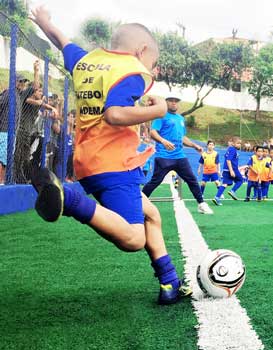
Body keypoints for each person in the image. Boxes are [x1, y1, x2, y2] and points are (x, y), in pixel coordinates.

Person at [29, 7, 193, 305]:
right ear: (141, 50)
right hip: (115, 163)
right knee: (133, 239)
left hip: (89, 161)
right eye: (152, 63)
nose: (151, 71)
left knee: (151, 215)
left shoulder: (88, 61)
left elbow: (62, 41)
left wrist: (44, 22)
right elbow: (115, 114)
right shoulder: (132, 72)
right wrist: (157, 110)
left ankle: (170, 282)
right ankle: (68, 199)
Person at [141, 95, 213, 214]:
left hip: (179, 156)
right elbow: (153, 132)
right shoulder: (161, 116)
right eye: (171, 101)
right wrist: (163, 141)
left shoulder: (180, 118)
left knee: (192, 180)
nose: (174, 103)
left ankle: (201, 203)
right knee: (155, 181)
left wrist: (194, 145)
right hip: (164, 156)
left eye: (176, 101)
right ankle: (138, 203)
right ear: (166, 103)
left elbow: (182, 137)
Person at [212, 136, 243, 205]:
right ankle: (232, 191)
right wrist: (231, 170)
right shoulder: (233, 150)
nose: (239, 145)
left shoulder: (230, 149)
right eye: (238, 143)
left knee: (225, 184)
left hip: (226, 169)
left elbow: (228, 158)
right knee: (240, 180)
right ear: (233, 143)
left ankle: (217, 197)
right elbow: (228, 160)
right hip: (232, 170)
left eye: (240, 143)